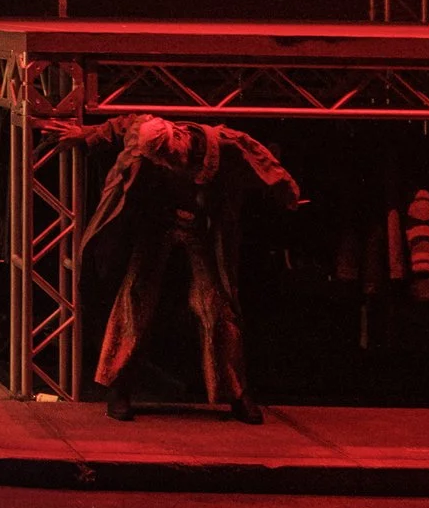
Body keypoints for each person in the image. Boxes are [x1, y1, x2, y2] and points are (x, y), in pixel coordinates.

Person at [43, 114, 304, 424]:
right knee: (135, 298)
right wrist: (85, 133)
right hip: (158, 224)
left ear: (179, 139)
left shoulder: (223, 144)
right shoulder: (144, 133)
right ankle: (119, 386)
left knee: (216, 306)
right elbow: (118, 126)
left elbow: (261, 159)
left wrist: (287, 192)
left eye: (168, 158)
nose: (165, 164)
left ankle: (237, 392)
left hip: (203, 228)